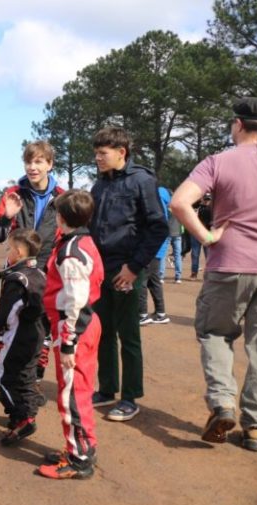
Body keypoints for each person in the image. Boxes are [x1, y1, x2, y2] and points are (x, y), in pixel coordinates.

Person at [170, 96, 257, 453]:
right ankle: (256, 428)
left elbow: (180, 202)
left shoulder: (218, 162)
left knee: (214, 333)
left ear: (238, 125)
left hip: (228, 263)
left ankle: (222, 403)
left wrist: (207, 236)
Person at [89, 127, 168, 422]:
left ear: (121, 152)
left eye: (103, 153)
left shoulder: (142, 181)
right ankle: (107, 389)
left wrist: (134, 267)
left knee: (129, 336)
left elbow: (157, 227)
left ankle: (130, 397)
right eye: (96, 153)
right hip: (101, 271)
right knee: (103, 333)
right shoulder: (99, 186)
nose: (97, 158)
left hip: (127, 271)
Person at [0, 140, 65, 395]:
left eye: (39, 161)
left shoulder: (62, 197)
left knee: (40, 331)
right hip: (16, 273)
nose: (32, 167)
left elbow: (66, 237)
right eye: (28, 162)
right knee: (7, 325)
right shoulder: (13, 193)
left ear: (49, 164)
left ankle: (33, 380)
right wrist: (7, 216)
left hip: (47, 274)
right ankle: (1, 380)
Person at [38, 190, 104, 480]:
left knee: (72, 396)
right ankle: (83, 446)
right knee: (78, 391)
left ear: (61, 217)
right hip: (81, 326)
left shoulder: (71, 252)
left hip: (75, 328)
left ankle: (79, 459)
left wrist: (67, 343)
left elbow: (75, 303)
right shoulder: (81, 242)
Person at [0, 228, 46, 446]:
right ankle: (21, 416)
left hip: (17, 336)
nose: (7, 253)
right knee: (26, 376)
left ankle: (24, 417)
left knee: (3, 378)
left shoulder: (17, 279)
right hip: (38, 334)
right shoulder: (41, 274)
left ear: (18, 252)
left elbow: (5, 313)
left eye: (9, 248)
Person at [139, 185, 171, 325]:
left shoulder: (151, 201)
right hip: (158, 247)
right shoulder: (162, 199)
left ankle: (142, 314)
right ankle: (160, 313)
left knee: (142, 281)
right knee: (154, 280)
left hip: (149, 247)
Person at [189, 193, 213, 279]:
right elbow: (190, 205)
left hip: (207, 234)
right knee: (195, 254)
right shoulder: (198, 206)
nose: (207, 201)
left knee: (208, 254)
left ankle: (209, 273)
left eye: (208, 199)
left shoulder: (212, 209)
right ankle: (194, 272)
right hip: (196, 233)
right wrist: (199, 201)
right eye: (205, 199)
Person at [164, 209, 184, 284]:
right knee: (178, 255)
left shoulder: (166, 207)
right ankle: (178, 277)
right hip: (177, 233)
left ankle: (161, 276)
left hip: (167, 232)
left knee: (164, 254)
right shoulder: (179, 207)